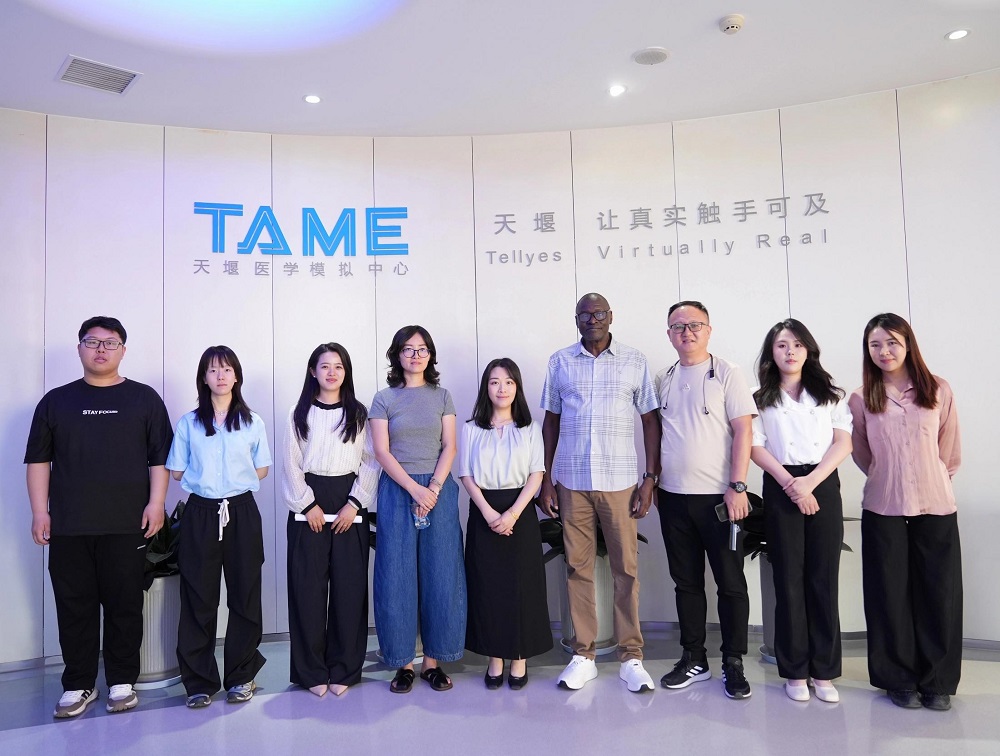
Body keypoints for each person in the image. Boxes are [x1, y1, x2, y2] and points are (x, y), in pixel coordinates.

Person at [25, 316, 173, 718]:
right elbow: (38, 460)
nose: (101, 349)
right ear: (80, 349)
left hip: (127, 524)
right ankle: (78, 684)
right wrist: (40, 511)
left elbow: (159, 459)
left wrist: (156, 503)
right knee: (75, 606)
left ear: (123, 350)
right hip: (69, 525)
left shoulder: (144, 399)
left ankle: (122, 681)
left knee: (125, 604)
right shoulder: (56, 401)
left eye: (110, 343)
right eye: (92, 342)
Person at [539, 293, 660, 693]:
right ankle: (583, 656)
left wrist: (649, 478)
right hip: (572, 482)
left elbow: (650, 421)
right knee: (578, 569)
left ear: (611, 317)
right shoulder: (560, 362)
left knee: (626, 570)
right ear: (576, 319)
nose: (593, 319)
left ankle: (631, 657)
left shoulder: (634, 361)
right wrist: (545, 478)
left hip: (620, 482)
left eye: (600, 313)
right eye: (585, 314)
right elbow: (551, 421)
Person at [849, 313, 962, 712]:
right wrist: (890, 476)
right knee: (889, 595)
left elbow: (949, 450)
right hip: (884, 505)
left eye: (892, 342)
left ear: (908, 344)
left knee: (939, 595)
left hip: (936, 504)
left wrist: (933, 477)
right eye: (875, 344)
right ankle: (897, 679)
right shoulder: (861, 398)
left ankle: (937, 682)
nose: (884, 351)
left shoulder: (938, 389)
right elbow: (862, 453)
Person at [655, 300, 757, 700]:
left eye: (695, 325)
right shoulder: (663, 378)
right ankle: (694, 658)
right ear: (669, 334)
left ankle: (733, 661)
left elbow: (744, 431)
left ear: (709, 330)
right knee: (686, 583)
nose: (687, 332)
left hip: (720, 500)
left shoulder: (728, 373)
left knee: (730, 584)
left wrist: (738, 486)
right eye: (678, 326)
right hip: (673, 499)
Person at [750, 319, 852, 703]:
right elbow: (755, 447)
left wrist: (810, 483)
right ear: (771, 353)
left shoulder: (830, 394)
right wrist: (792, 484)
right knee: (788, 579)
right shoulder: (759, 398)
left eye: (796, 344)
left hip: (822, 480)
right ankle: (794, 672)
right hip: (781, 483)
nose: (790, 351)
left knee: (823, 577)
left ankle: (824, 672)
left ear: (808, 350)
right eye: (781, 345)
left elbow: (843, 443)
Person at [166, 346, 272, 708]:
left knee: (245, 595)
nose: (221, 376)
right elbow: (176, 471)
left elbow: (262, 469)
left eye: (227, 369)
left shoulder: (252, 421)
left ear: (236, 376)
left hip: (241, 511)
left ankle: (241, 676)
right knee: (198, 598)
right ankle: (199, 682)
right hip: (200, 513)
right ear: (204, 378)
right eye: (213, 370)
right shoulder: (189, 423)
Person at [370, 325, 466, 693]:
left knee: (441, 573)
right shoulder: (384, 398)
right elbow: (382, 452)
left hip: (438, 489)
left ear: (430, 355)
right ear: (397, 355)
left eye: (422, 348)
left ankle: (433, 663)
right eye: (408, 349)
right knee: (396, 576)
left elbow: (450, 446)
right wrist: (414, 489)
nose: (415, 355)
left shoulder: (442, 396)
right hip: (398, 490)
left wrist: (433, 489)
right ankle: (403, 663)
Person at [282, 343, 379, 698]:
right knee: (307, 590)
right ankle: (310, 671)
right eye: (325, 366)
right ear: (313, 371)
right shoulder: (299, 412)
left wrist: (355, 503)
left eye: (338, 366)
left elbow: (371, 460)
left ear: (346, 372)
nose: (332, 372)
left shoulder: (358, 413)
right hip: (308, 501)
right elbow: (290, 462)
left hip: (349, 501)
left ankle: (345, 668)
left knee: (349, 590)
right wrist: (307, 504)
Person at [460, 358, 552, 690]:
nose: (502, 388)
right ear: (486, 388)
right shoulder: (471, 428)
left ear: (517, 388)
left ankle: (520, 657)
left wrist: (512, 514)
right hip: (483, 510)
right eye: (495, 382)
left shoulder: (530, 428)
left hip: (521, 511)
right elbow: (466, 475)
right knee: (488, 587)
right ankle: (495, 657)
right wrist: (488, 513)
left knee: (522, 587)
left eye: (509, 382)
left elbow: (536, 474)